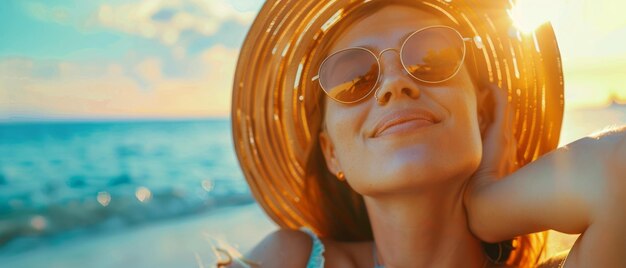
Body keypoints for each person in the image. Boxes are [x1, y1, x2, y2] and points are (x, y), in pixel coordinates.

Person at [229, 0, 626, 267]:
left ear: (483, 115)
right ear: (331, 151)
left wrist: (489, 207)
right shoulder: (290, 258)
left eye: (430, 57)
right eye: (354, 77)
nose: (393, 85)